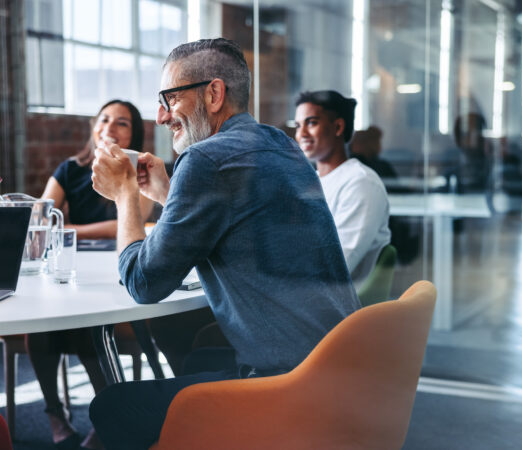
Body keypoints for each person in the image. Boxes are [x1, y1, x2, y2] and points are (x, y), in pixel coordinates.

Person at [89, 38, 359, 449]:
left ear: (214, 94)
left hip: (289, 387)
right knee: (199, 356)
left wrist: (126, 194)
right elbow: (239, 223)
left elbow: (143, 284)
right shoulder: (280, 144)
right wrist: (168, 192)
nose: (161, 116)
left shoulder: (205, 161)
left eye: (170, 98)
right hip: (338, 371)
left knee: (111, 407)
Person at [26, 100, 153, 450]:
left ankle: (106, 417)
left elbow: (129, 223)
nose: (110, 126)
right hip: (71, 270)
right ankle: (54, 413)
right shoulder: (70, 169)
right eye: (105, 119)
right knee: (40, 324)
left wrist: (71, 230)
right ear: (94, 127)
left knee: (88, 323)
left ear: (135, 133)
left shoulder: (140, 170)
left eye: (122, 123)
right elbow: (41, 217)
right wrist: (47, 220)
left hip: (117, 272)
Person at [294, 90, 391, 288]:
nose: (301, 134)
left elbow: (337, 265)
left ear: (338, 127)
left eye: (311, 123)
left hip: (336, 305)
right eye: (298, 125)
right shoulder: (312, 182)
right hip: (306, 291)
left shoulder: (360, 183)